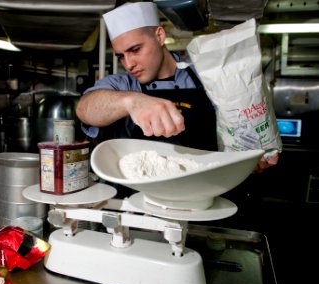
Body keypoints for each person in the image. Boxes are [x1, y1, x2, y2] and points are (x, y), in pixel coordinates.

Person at [76, 1, 279, 175]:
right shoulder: (122, 85)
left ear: (159, 36)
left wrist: (249, 154)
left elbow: (237, 127)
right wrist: (131, 102)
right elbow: (85, 109)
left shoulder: (206, 77)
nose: (129, 64)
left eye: (135, 50)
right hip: (138, 202)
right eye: (121, 55)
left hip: (204, 191)